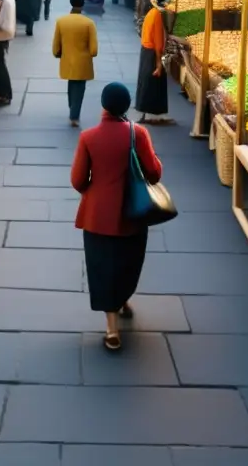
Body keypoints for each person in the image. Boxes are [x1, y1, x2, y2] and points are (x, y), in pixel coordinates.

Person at [71, 82, 162, 351]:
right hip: (132, 215)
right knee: (128, 263)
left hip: (97, 216)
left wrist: (95, 190)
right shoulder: (139, 134)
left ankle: (111, 329)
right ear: (126, 105)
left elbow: (77, 180)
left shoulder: (88, 137)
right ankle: (123, 299)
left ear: (103, 105)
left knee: (102, 269)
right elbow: (154, 173)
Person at [52, 0, 98, 126]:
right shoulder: (89, 23)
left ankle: (72, 109)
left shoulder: (61, 22)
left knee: (71, 85)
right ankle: (74, 115)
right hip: (83, 62)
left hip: (67, 60)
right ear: (83, 4)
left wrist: (58, 53)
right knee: (79, 87)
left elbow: (56, 46)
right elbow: (94, 50)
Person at [136, 0, 173, 124]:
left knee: (145, 81)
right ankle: (154, 114)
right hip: (152, 52)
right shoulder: (157, 15)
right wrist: (159, 61)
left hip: (145, 51)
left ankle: (145, 112)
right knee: (154, 83)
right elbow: (158, 39)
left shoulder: (151, 14)